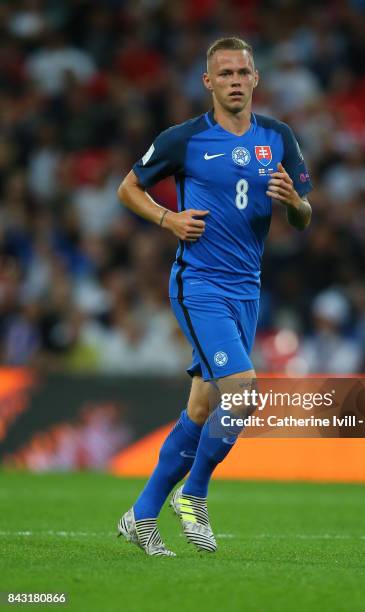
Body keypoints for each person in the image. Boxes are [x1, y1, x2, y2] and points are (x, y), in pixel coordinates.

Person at [116, 36, 312, 556]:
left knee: (203, 405)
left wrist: (295, 201)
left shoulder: (278, 137)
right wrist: (168, 218)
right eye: (223, 73)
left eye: (241, 73)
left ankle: (141, 515)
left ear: (255, 80)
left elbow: (305, 215)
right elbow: (128, 188)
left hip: (248, 288)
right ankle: (195, 497)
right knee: (243, 388)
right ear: (208, 82)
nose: (233, 81)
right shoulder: (184, 139)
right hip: (199, 282)